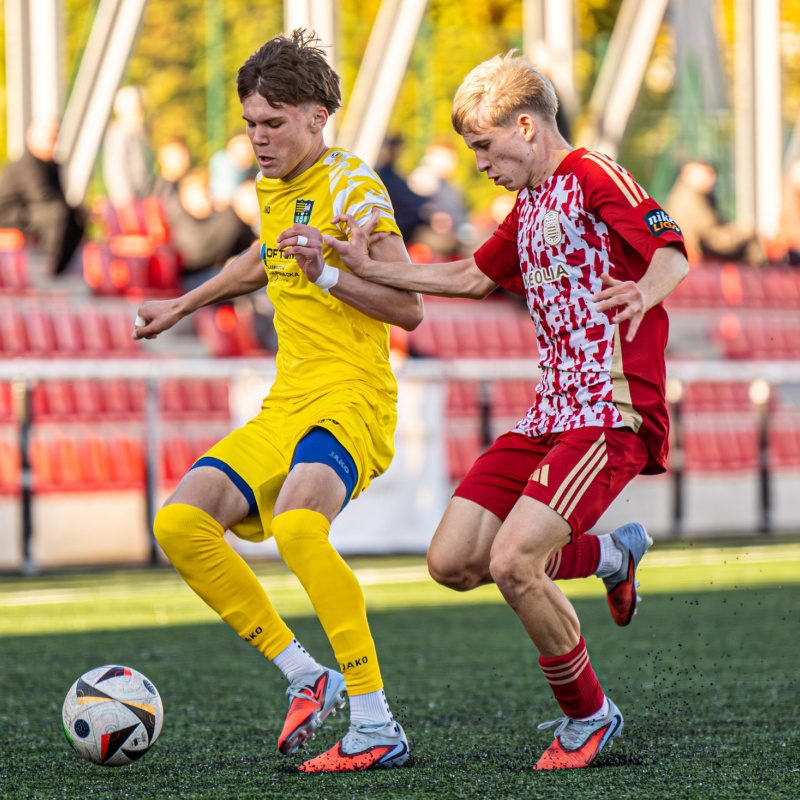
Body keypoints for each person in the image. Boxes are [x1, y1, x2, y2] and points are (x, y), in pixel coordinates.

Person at [307, 50, 689, 770]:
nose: (479, 160)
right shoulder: (532, 204)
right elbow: (469, 277)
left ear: (525, 125)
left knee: (514, 563)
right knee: (453, 561)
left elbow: (672, 249)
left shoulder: (590, 174)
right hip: (549, 413)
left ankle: (588, 717)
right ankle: (611, 555)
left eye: (483, 144)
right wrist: (364, 268)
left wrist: (646, 290)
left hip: (609, 412)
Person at [132, 30, 421, 773]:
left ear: (319, 118)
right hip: (288, 400)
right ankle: (305, 674)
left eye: (275, 123)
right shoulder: (272, 184)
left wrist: (328, 274)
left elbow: (409, 308)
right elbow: (261, 259)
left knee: (297, 528)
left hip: (352, 398)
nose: (259, 140)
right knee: (181, 522)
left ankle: (375, 721)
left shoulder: (354, 188)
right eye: (251, 125)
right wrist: (182, 305)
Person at [0, 116, 85, 275]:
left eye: (55, 138)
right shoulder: (28, 164)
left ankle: (61, 268)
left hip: (31, 213)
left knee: (74, 215)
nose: (53, 144)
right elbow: (42, 196)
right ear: (32, 138)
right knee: (57, 215)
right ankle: (48, 266)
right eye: (49, 138)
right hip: (10, 215)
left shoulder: (51, 164)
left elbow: (56, 198)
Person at [664, 161, 765, 264]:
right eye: (707, 174)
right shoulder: (692, 198)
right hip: (704, 245)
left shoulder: (682, 194)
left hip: (700, 243)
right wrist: (743, 230)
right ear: (689, 175)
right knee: (749, 231)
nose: (711, 179)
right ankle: (763, 273)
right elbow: (711, 233)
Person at [102, 86, 154, 208]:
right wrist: (125, 198)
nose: (141, 113)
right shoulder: (117, 134)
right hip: (128, 201)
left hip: (142, 197)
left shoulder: (137, 132)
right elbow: (116, 169)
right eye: (137, 108)